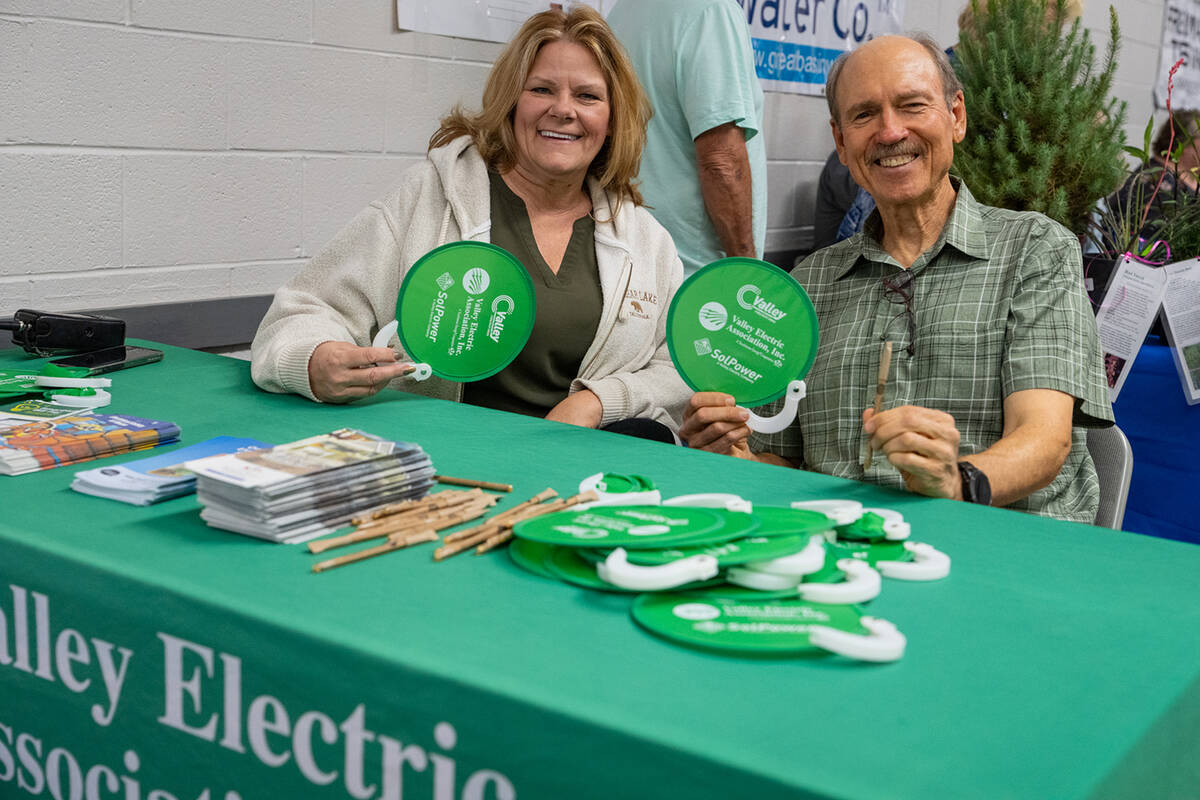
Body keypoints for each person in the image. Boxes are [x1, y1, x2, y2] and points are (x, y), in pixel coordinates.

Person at [679, 34, 1113, 523]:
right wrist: (735, 457)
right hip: (840, 554)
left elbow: (1043, 440)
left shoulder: (1034, 250)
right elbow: (783, 462)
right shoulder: (806, 286)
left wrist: (955, 481)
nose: (889, 132)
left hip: (998, 547)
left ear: (957, 117)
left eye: (912, 105)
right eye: (864, 115)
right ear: (841, 142)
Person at [251, 7, 690, 440]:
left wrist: (597, 402)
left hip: (576, 471)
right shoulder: (431, 196)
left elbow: (676, 366)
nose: (563, 109)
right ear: (512, 102)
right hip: (438, 458)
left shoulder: (645, 240)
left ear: (613, 120)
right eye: (541, 89)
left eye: (587, 96)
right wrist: (315, 361)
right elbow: (304, 310)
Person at [606, 0, 766, 275]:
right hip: (697, 276)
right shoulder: (712, 11)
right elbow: (721, 162)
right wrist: (747, 270)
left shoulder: (622, 11)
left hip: (629, 256)